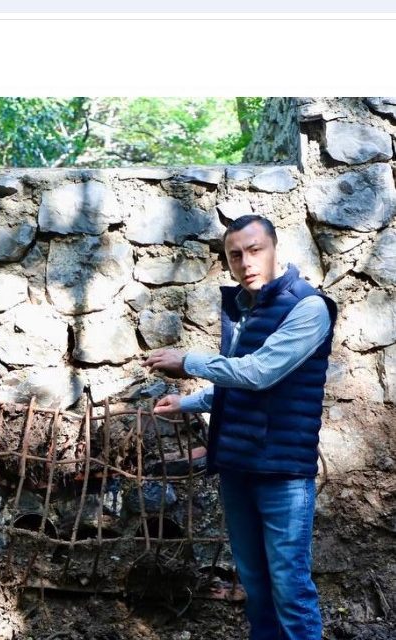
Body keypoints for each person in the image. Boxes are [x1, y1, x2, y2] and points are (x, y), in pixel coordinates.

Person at [142, 215, 336, 640]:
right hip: (237, 467)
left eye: (254, 250)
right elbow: (237, 384)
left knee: (291, 591)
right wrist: (188, 402)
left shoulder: (309, 307)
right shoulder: (246, 311)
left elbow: (259, 373)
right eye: (235, 255)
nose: (245, 262)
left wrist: (188, 361)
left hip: (283, 475)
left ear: (273, 249)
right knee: (256, 588)